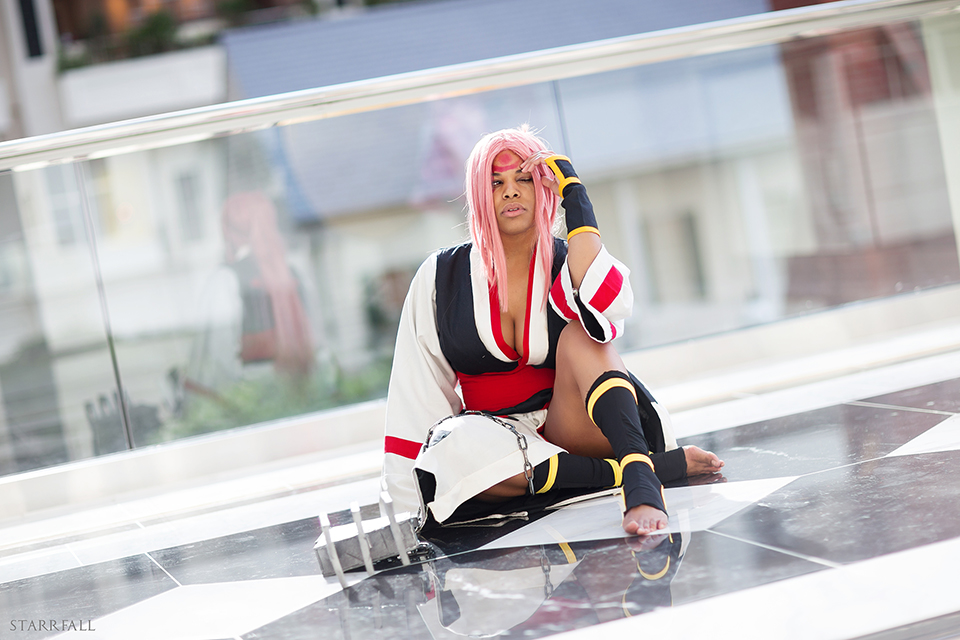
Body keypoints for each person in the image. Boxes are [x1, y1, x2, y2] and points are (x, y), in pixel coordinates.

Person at [382, 126, 722, 536]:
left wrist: (575, 196)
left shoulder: (568, 260)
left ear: (542, 187)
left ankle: (640, 478)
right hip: (495, 445)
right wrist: (410, 502)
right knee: (451, 445)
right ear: (478, 195)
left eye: (524, 179)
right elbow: (416, 388)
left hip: (573, 426)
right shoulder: (441, 276)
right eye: (496, 183)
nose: (511, 191)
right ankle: (636, 470)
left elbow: (608, 307)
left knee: (584, 335)